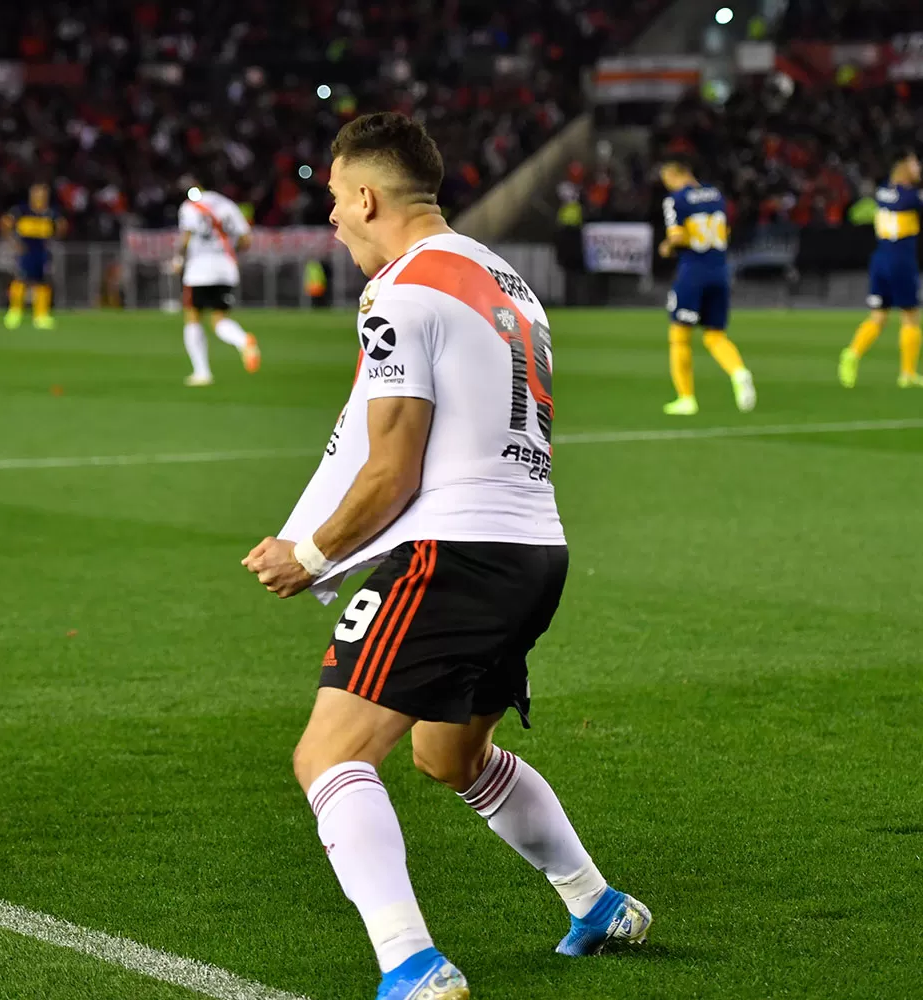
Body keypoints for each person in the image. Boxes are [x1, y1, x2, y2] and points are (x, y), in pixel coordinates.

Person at [243, 112, 650, 1000]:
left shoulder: (398, 292)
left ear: (366, 195)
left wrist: (309, 552)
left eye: (333, 202)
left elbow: (393, 467)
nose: (332, 223)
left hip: (456, 551)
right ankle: (596, 901)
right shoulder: (504, 278)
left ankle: (412, 965)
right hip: (535, 547)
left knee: (330, 755)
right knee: (448, 757)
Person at [657, 159, 756, 415]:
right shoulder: (716, 195)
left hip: (693, 272)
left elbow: (677, 236)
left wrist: (667, 247)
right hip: (720, 270)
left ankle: (686, 398)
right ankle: (739, 372)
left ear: (675, 174)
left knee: (679, 336)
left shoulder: (676, 200)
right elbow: (727, 231)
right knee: (715, 335)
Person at [839, 151, 922, 388]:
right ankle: (907, 373)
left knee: (878, 316)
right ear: (904, 166)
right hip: (901, 260)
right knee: (911, 317)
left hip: (880, 259)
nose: (918, 168)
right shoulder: (911, 196)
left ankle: (852, 353)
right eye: (915, 163)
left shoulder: (884, 191)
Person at [173, 182, 260, 386]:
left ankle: (202, 372)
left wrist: (178, 260)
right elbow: (246, 239)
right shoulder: (227, 204)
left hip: (199, 269)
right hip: (226, 268)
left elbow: (185, 238)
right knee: (219, 319)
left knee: (193, 317)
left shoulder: (189, 206)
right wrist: (228, 253)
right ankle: (243, 341)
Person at [3, 183, 66, 330]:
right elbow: (5, 223)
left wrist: (55, 238)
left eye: (43, 194)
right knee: (21, 280)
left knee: (42, 283)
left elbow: (62, 225)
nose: (40, 197)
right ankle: (15, 312)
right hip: (26, 251)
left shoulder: (50, 213)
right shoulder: (21, 211)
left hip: (43, 252)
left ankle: (41, 315)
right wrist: (13, 243)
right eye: (37, 194)